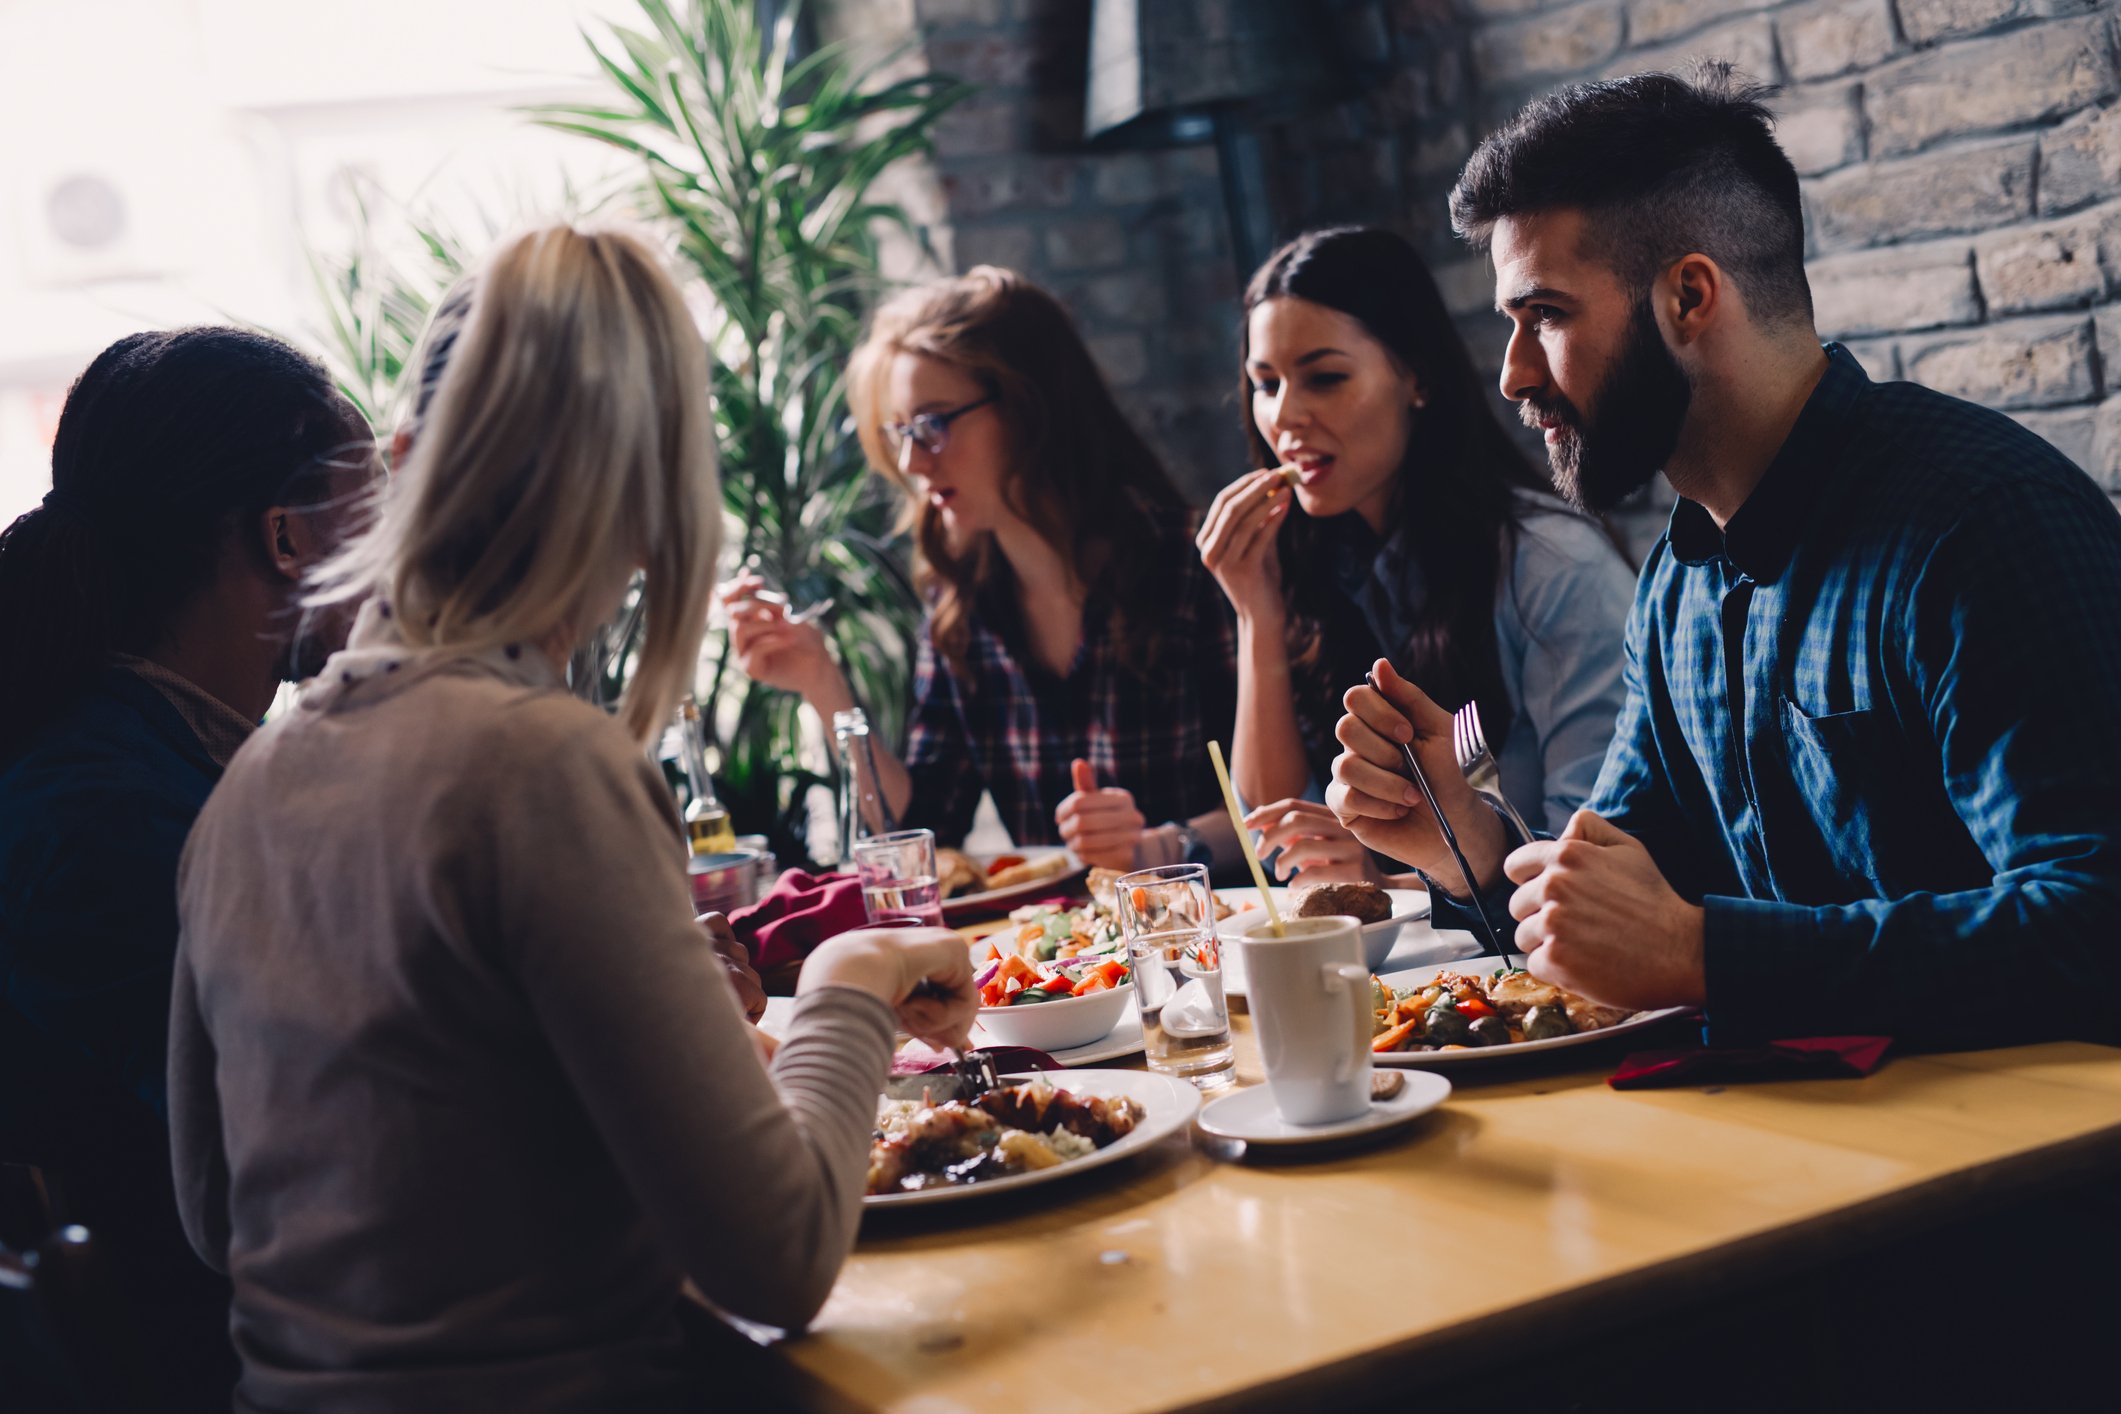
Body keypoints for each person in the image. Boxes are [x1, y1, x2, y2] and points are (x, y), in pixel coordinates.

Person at [168, 225, 977, 1411]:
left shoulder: (246, 783)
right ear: (653, 505)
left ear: (402, 465)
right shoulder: (544, 763)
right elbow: (781, 1259)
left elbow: (211, 1212)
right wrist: (857, 972)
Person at [1326, 65, 2121, 1049]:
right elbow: (1616, 905)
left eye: (1549, 316)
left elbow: (2095, 926)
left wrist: (1710, 957)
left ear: (1689, 297)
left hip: (2015, 1182)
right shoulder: (1678, 582)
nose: (1514, 375)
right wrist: (1472, 846)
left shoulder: (1984, 525)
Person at [0, 327, 378, 1407]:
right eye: (378, 506)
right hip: (244, 1361)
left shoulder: (148, 761)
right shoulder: (97, 814)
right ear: (288, 537)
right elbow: (294, 1146)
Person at [721, 266, 1240, 871]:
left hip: (1214, 933)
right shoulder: (962, 604)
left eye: (934, 424)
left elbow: (1281, 802)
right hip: (1062, 952)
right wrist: (822, 685)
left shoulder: (1192, 562)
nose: (913, 461)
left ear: (1030, 407)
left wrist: (1161, 844)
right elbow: (923, 834)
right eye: (901, 433)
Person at [1200, 227, 1635, 888]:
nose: (1284, 416)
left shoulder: (1550, 565)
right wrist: (1254, 612)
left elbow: (1599, 851)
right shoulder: (1321, 559)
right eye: (1264, 384)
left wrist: (1387, 884)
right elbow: (1272, 846)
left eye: (1323, 377)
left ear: (1417, 378)